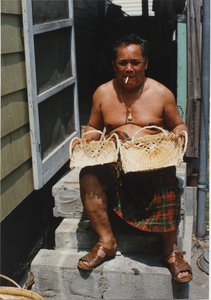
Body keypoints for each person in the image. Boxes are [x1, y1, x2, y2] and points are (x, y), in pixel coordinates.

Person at [72, 34, 192, 282]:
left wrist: (181, 135)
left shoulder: (161, 93)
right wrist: (86, 140)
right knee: (88, 176)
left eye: (135, 62)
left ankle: (171, 252)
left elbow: (179, 125)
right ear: (114, 64)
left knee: (168, 180)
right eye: (123, 62)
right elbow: (93, 128)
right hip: (115, 164)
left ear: (146, 63)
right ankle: (106, 242)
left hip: (151, 163)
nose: (129, 68)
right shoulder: (103, 93)